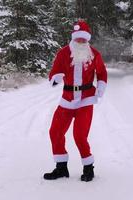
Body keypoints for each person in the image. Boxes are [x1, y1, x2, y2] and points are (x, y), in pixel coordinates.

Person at [43, 20, 108, 182]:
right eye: (78, 39)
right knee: (55, 132)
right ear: (73, 38)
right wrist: (56, 78)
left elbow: (102, 72)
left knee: (79, 135)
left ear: (87, 40)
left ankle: (88, 168)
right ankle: (61, 168)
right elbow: (54, 72)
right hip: (67, 99)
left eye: (84, 40)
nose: (81, 42)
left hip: (86, 99)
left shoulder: (94, 54)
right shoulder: (63, 53)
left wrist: (100, 86)